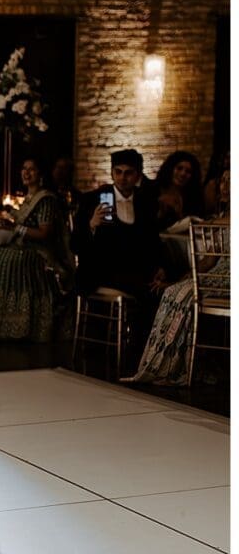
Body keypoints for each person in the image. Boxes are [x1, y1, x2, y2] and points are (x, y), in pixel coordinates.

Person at [123, 168, 230, 385]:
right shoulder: (220, 218)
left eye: (231, 181)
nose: (225, 186)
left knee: (184, 295)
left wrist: (208, 225)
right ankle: (162, 366)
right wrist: (182, 279)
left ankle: (184, 365)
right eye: (223, 180)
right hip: (215, 274)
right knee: (173, 291)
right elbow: (208, 261)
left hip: (229, 278)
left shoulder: (223, 221)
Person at [0, 157, 74, 342]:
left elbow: (44, 233)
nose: (26, 173)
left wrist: (15, 228)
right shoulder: (29, 198)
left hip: (39, 252)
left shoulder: (45, 199)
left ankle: (11, 324)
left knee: (6, 259)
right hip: (23, 247)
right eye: (24, 168)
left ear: (41, 174)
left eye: (31, 169)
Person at [72, 148, 169, 340]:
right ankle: (137, 343)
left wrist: (160, 266)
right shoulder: (93, 199)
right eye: (118, 172)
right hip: (100, 270)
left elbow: (153, 240)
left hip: (135, 269)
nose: (122, 178)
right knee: (147, 291)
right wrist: (92, 225)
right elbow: (74, 243)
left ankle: (147, 344)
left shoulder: (145, 201)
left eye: (128, 173)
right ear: (112, 172)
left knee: (162, 287)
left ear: (138, 175)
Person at [153, 150, 204, 230]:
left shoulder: (194, 197)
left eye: (188, 171)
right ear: (170, 169)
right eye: (179, 168)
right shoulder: (154, 191)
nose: (183, 174)